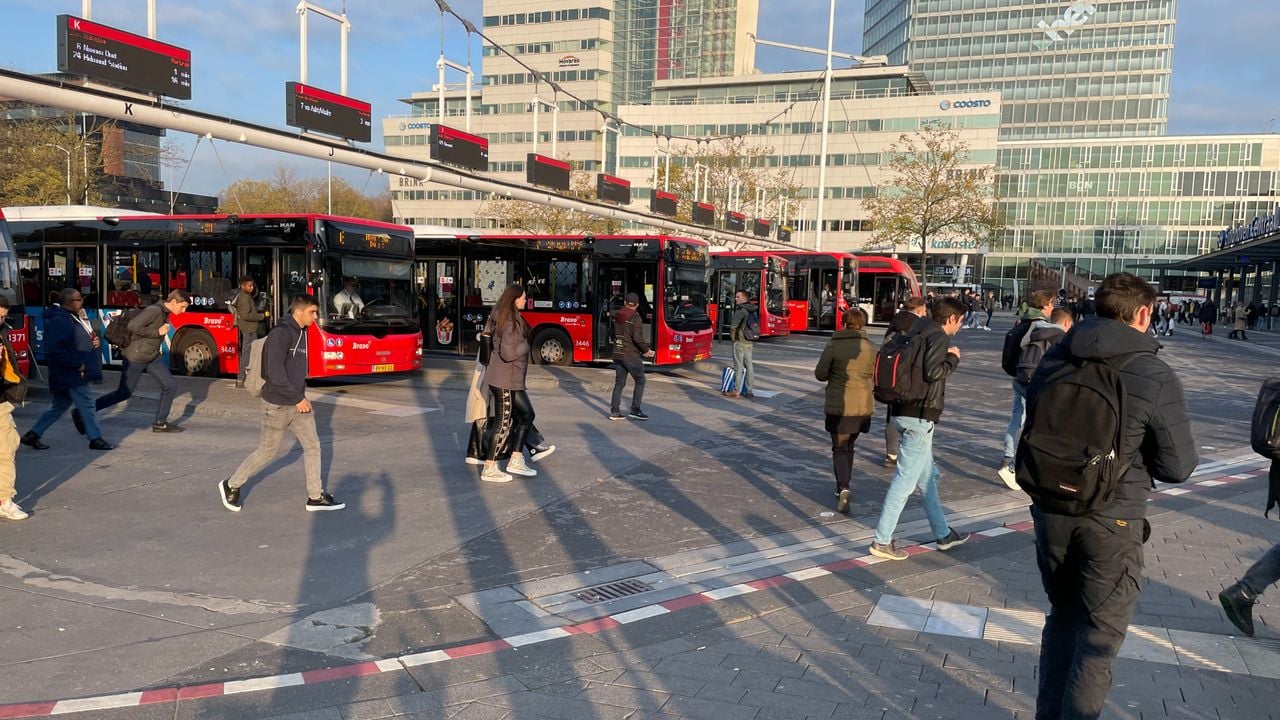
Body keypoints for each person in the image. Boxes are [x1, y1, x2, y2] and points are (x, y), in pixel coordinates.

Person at [1026, 272, 1197, 720]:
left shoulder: (1055, 356)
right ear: (1143, 312)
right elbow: (1177, 467)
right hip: (1113, 516)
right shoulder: (1152, 371)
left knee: (1062, 617)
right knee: (1098, 637)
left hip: (1050, 509)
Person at [218, 294, 342, 512]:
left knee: (313, 446)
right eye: (312, 312)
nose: (315, 316)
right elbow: (274, 372)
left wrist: (300, 398)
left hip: (298, 403)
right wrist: (297, 398)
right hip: (276, 404)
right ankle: (231, 484)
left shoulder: (302, 332)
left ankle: (315, 496)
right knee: (267, 452)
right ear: (298, 312)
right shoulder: (281, 333)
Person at [869, 296, 970, 560]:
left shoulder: (916, 329)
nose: (959, 327)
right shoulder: (938, 337)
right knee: (904, 481)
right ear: (951, 319)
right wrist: (953, 358)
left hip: (900, 410)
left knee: (927, 479)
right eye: (960, 322)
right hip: (919, 416)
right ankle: (882, 540)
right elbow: (933, 372)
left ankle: (943, 534)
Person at [87, 289, 190, 434]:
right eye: (183, 306)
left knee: (170, 385)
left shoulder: (164, 312)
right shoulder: (154, 310)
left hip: (151, 356)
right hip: (136, 357)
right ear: (173, 302)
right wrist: (157, 332)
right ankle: (83, 413)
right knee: (123, 393)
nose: (184, 311)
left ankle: (160, 423)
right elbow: (133, 326)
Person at [20, 289, 112, 452]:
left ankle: (33, 434)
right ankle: (95, 438)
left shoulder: (71, 318)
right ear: (69, 302)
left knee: (58, 407)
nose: (82, 302)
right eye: (78, 299)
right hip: (71, 373)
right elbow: (57, 349)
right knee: (88, 405)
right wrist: (77, 364)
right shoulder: (60, 321)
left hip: (69, 372)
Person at [814, 307, 875, 515]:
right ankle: (845, 483)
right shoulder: (870, 347)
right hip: (862, 405)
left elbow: (820, 374)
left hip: (839, 404)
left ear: (843, 323)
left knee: (839, 447)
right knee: (849, 446)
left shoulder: (834, 344)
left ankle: (843, 486)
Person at [479, 284, 538, 482]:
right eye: (523, 297)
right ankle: (489, 467)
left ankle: (516, 458)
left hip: (512, 379)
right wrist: (526, 345)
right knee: (502, 423)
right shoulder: (510, 321)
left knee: (527, 414)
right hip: (504, 378)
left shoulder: (502, 315)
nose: (525, 300)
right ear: (514, 299)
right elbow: (508, 353)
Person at [999, 291, 1055, 488]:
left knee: (1017, 417)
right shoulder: (1042, 326)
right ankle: (1016, 464)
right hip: (1033, 380)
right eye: (1051, 304)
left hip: (1017, 376)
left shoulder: (1021, 323)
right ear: (1045, 305)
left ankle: (1008, 455)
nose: (1052, 309)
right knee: (1034, 422)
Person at [882, 297, 927, 467]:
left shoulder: (895, 322)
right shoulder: (920, 326)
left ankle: (890, 454)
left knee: (892, 416)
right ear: (919, 310)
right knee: (912, 416)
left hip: (892, 375)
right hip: (912, 376)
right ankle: (909, 454)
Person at [0, 297, 28, 520]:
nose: (1, 321)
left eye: (3, 317)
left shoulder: (3, 332)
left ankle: (4, 500)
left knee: (7, 449)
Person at [609, 292, 654, 421]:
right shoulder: (635, 317)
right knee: (640, 380)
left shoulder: (617, 315)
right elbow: (637, 338)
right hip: (630, 355)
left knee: (619, 384)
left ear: (625, 303)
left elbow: (612, 333)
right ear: (637, 305)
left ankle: (615, 412)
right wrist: (646, 350)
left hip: (618, 353)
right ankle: (635, 409)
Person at [232, 275, 269, 389]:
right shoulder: (244, 297)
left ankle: (246, 379)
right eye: (249, 286)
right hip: (248, 329)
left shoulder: (246, 296)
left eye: (252, 285)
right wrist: (262, 316)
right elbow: (246, 315)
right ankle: (241, 379)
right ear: (242, 286)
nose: (252, 287)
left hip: (250, 328)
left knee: (251, 354)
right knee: (247, 354)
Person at [724, 290, 757, 399]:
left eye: (738, 297)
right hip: (749, 341)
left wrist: (733, 339)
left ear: (744, 298)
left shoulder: (740, 310)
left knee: (738, 366)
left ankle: (736, 390)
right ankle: (749, 390)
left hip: (740, 341)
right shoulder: (753, 310)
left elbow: (733, 326)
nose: (736, 299)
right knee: (749, 366)